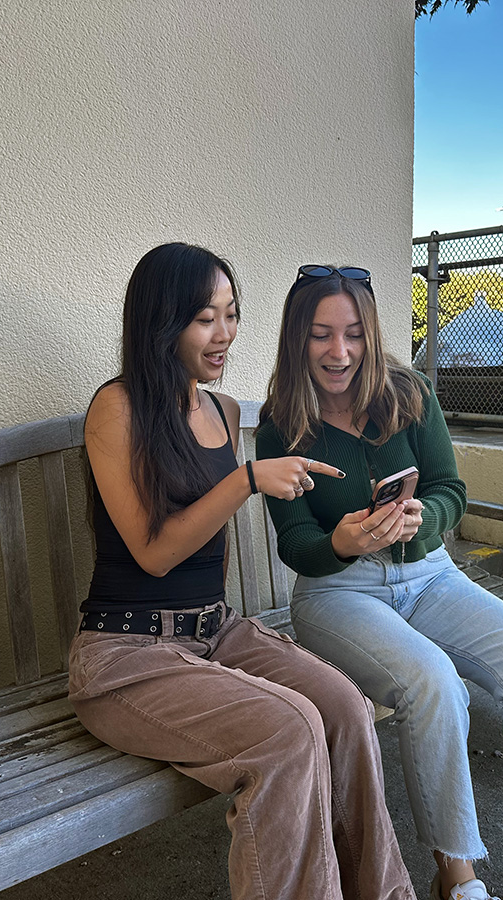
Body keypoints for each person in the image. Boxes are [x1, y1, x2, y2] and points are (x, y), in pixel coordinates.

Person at [68, 244, 416, 900]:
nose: (225, 333)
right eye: (206, 318)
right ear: (161, 323)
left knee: (342, 706)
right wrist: (247, 479)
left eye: (232, 315)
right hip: (125, 657)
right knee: (291, 732)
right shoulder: (116, 410)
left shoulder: (224, 412)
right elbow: (154, 553)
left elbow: (210, 562)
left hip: (213, 633)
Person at [256, 265, 503, 900]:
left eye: (354, 333)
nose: (340, 351)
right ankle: (456, 878)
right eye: (321, 334)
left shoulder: (409, 394)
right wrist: (340, 542)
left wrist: (424, 517)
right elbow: (296, 543)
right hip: (339, 592)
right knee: (433, 683)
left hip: (431, 574)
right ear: (297, 339)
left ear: (372, 333)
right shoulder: (282, 424)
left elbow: (449, 491)